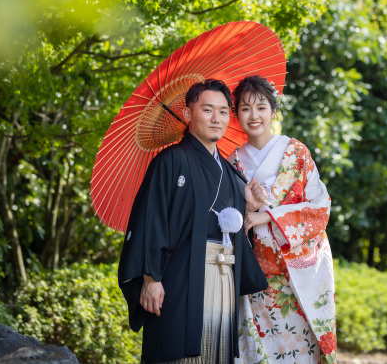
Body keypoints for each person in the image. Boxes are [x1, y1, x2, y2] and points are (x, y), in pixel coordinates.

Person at [119, 79, 268, 364]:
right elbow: (151, 220)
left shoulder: (228, 170)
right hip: (180, 277)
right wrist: (151, 277)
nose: (217, 118)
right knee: (177, 350)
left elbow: (233, 228)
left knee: (215, 352)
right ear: (188, 114)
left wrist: (247, 204)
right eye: (208, 109)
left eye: (224, 111)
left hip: (223, 277)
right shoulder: (170, 161)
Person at [227, 75, 337, 364]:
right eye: (245, 108)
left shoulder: (296, 152)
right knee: (259, 347)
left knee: (301, 348)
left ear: (273, 112)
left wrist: (268, 215)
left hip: (297, 271)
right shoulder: (232, 162)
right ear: (236, 114)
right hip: (255, 274)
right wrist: (247, 208)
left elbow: (321, 206)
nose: (254, 115)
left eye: (261, 107)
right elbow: (227, 218)